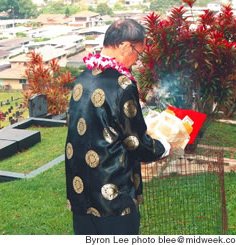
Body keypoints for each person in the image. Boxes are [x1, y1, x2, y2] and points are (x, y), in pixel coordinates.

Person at [65, 19, 171, 235]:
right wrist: (165, 147)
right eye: (138, 54)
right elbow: (135, 141)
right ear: (125, 46)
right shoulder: (123, 83)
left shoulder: (82, 77)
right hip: (112, 196)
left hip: (81, 192)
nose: (136, 61)